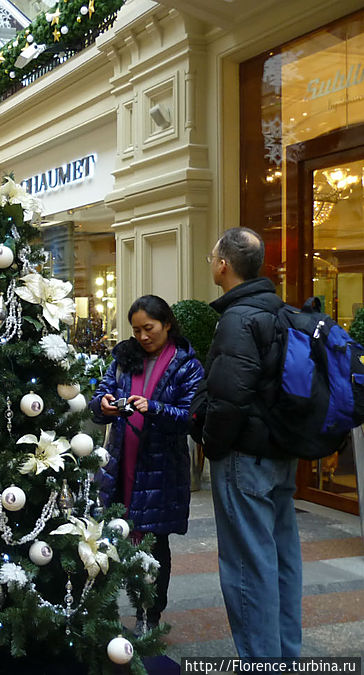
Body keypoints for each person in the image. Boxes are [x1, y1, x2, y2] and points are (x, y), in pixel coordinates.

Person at [195, 226, 301, 657]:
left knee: (247, 565)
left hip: (245, 457)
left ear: (223, 265)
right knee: (280, 559)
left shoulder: (238, 318)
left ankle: (261, 661)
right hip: (279, 453)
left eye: (212, 258)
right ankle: (284, 654)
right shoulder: (279, 310)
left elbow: (228, 397)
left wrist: (212, 445)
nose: (211, 265)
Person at [89, 295, 204, 631]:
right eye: (136, 330)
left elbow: (189, 417)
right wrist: (104, 404)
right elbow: (100, 398)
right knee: (113, 536)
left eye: (148, 328)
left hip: (161, 468)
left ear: (167, 324)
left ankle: (149, 615)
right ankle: (107, 610)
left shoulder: (186, 365)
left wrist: (153, 408)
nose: (141, 336)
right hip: (122, 462)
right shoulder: (125, 359)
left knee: (154, 544)